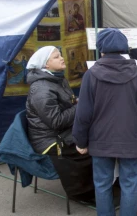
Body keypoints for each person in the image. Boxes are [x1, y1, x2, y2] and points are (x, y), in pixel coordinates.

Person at [73, 29, 137, 216]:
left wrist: (80, 141)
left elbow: (83, 113)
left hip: (100, 139)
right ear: (124, 48)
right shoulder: (135, 72)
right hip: (131, 139)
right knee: (130, 183)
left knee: (102, 182)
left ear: (101, 49)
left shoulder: (91, 75)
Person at [25, 46, 95, 203]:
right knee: (94, 147)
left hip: (60, 132)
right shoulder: (41, 89)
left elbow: (65, 105)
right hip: (51, 140)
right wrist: (80, 106)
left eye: (60, 55)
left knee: (98, 137)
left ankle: (99, 187)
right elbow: (56, 121)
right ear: (45, 65)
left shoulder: (57, 79)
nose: (62, 58)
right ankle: (83, 193)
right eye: (56, 57)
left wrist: (76, 102)